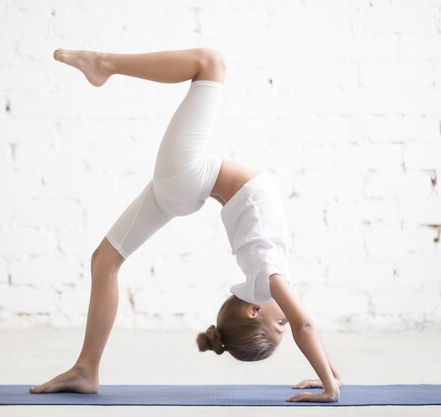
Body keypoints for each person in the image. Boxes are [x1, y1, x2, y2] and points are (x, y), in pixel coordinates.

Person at [30, 47, 342, 403]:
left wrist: (330, 390)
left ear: (253, 310)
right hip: (188, 188)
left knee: (211, 63)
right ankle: (86, 370)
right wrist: (328, 373)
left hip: (191, 176)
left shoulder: (267, 278)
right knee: (105, 260)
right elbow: (307, 324)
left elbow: (304, 325)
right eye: (282, 327)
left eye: (278, 324)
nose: (287, 319)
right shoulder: (266, 278)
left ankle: (105, 65)